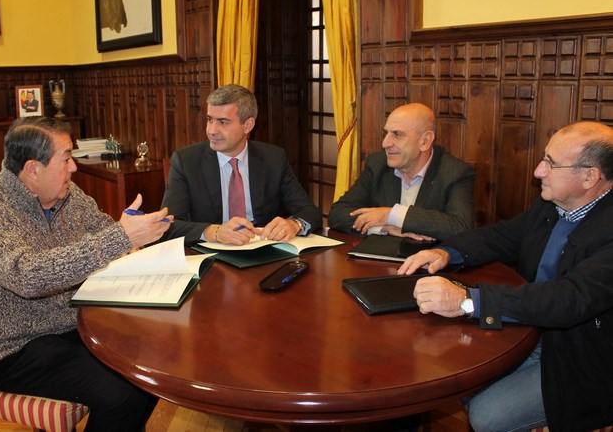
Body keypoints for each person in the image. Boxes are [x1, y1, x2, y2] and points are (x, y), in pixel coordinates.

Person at [0, 117, 173, 431]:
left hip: (72, 326)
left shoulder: (69, 196)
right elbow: (29, 276)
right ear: (33, 169)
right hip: (12, 348)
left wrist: (137, 235)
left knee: (150, 369)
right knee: (124, 393)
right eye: (66, 158)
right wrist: (120, 238)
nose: (74, 167)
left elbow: (107, 234)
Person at [398, 121, 613, 431]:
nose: (538, 171)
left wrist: (469, 301)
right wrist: (448, 253)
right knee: (445, 373)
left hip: (581, 355)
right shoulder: (551, 205)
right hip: (530, 326)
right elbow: (503, 236)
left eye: (550, 163)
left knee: (486, 415)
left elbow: (568, 299)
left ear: (589, 176)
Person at [161, 83, 322, 245]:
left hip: (263, 249)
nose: (212, 130)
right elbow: (168, 225)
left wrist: (294, 224)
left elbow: (309, 212)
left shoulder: (273, 158)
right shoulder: (186, 161)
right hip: (211, 253)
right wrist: (214, 232)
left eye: (223, 122)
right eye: (210, 119)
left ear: (248, 125)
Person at [328, 103, 475, 241]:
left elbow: (460, 227)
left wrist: (392, 214)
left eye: (397, 134)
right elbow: (338, 214)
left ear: (425, 141)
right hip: (380, 261)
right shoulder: (378, 165)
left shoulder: (455, 173)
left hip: (429, 264)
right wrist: (384, 227)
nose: (385, 143)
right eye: (386, 133)